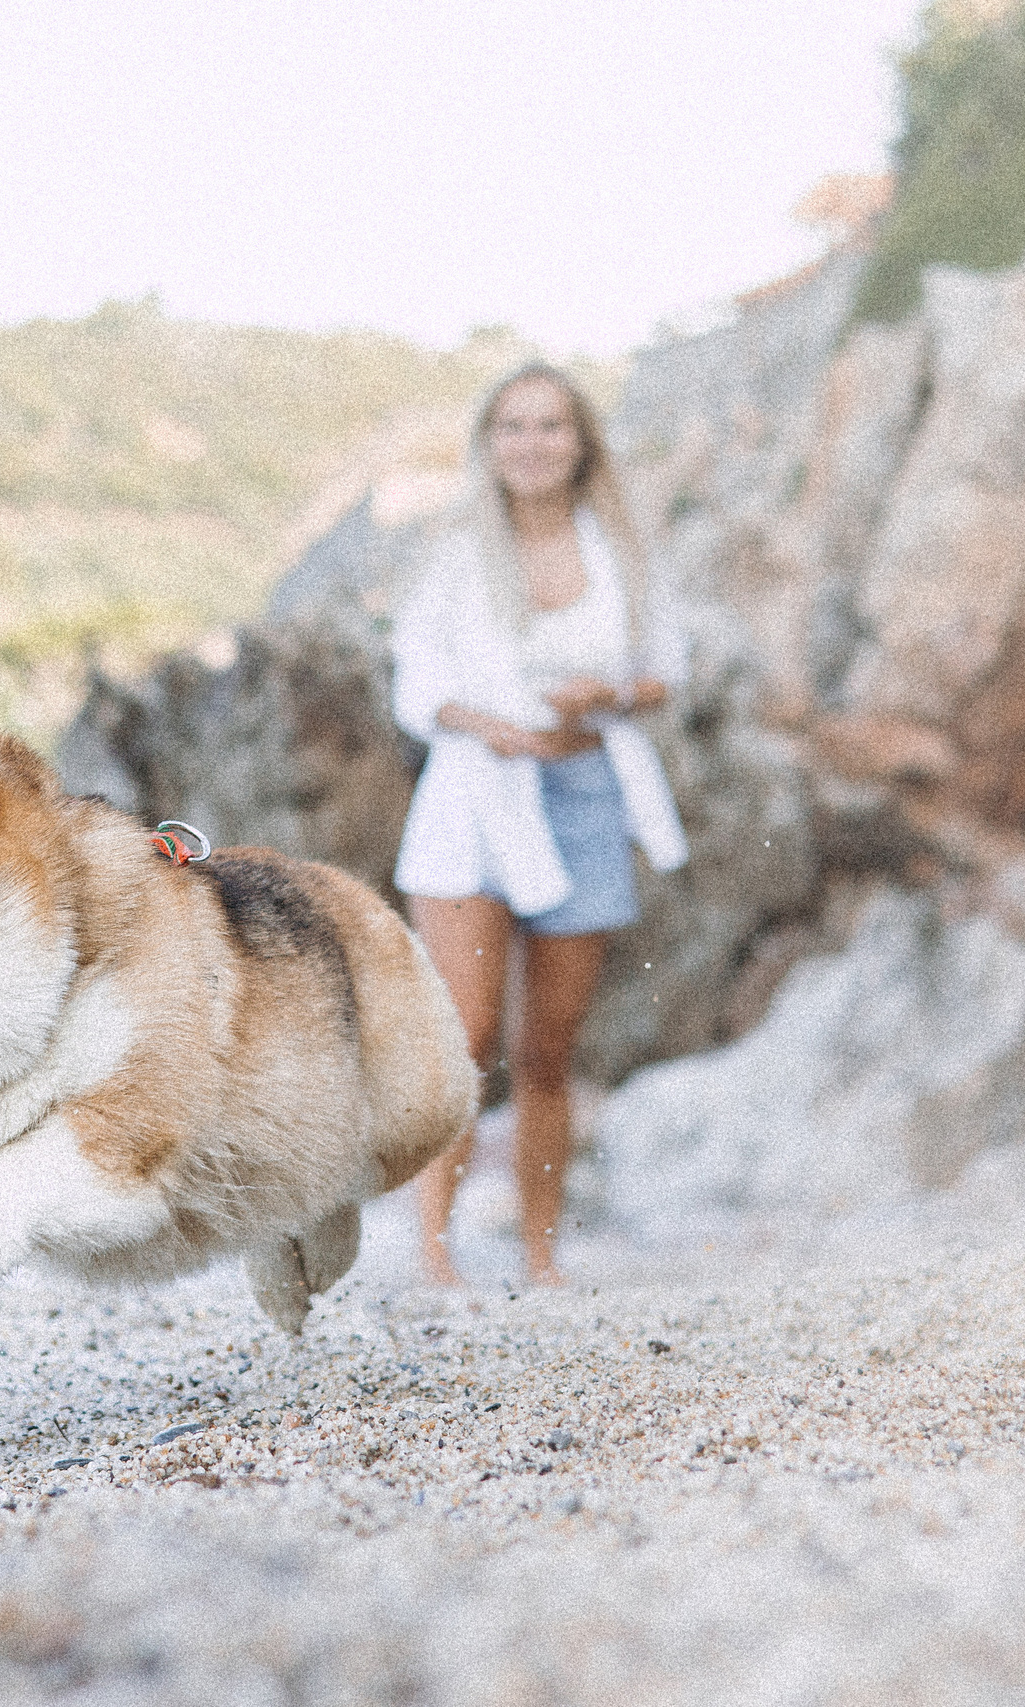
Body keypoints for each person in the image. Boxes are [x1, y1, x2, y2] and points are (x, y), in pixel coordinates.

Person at [390, 361, 689, 1287]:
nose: (532, 442)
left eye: (551, 425)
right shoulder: (454, 554)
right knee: (465, 1036)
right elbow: (416, 685)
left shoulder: (624, 552)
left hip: (589, 792)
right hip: (474, 803)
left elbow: (669, 669)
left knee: (547, 1048)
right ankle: (436, 1256)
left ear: (581, 442)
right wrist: (497, 730)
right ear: (488, 445)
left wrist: (614, 693)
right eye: (513, 427)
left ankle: (542, 1255)